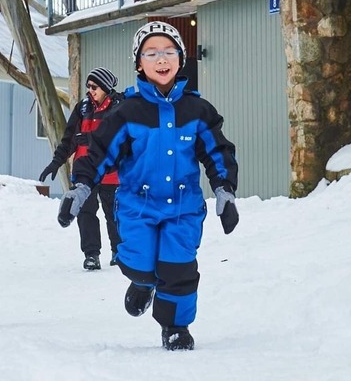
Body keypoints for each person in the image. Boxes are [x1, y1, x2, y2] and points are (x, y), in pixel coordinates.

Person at [58, 20, 239, 351]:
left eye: (169, 51)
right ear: (139, 63)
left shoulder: (197, 110)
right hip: (137, 206)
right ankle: (143, 282)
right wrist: (81, 188)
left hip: (183, 208)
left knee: (179, 267)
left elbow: (218, 152)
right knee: (139, 262)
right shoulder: (127, 112)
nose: (161, 58)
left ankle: (175, 326)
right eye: (151, 53)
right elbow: (99, 152)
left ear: (180, 59)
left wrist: (224, 190)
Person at [40, 67, 123, 271]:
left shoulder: (119, 108)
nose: (90, 90)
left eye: (94, 87)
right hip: (84, 172)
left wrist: (90, 139)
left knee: (114, 214)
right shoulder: (83, 108)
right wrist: (56, 162)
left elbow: (119, 139)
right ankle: (91, 255)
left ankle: (119, 252)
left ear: (105, 87)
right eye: (88, 86)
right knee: (85, 213)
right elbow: (69, 139)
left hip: (111, 172)